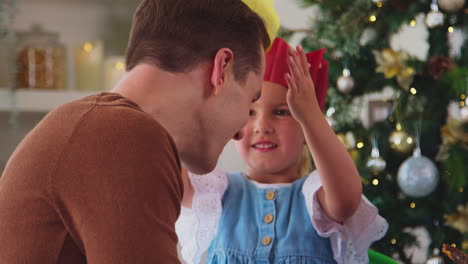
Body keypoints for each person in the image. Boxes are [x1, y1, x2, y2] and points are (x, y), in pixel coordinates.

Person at [0, 0, 279, 263]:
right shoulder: (122, 135)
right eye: (251, 100)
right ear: (223, 68)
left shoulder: (91, 124)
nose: (241, 132)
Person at [176, 38, 388, 264]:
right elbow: (166, 163)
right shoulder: (214, 193)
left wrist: (311, 116)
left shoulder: (315, 199)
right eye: (249, 112)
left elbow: (346, 200)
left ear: (307, 129)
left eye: (280, 112)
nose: (262, 126)